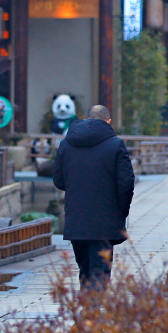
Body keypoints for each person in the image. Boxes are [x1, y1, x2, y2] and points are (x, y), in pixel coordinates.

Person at [52, 105, 135, 289]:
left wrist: (76, 189)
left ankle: (86, 304)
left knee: (85, 271)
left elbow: (58, 180)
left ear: (87, 118)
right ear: (108, 122)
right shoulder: (115, 145)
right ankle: (93, 306)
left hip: (76, 218)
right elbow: (126, 183)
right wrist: (121, 211)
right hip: (105, 219)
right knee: (100, 272)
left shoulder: (66, 144)